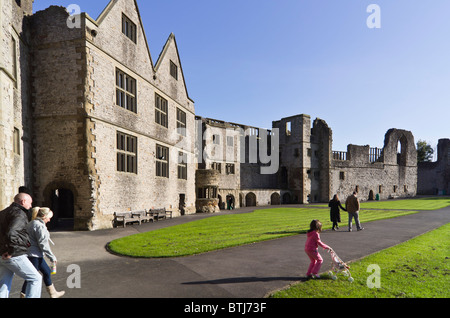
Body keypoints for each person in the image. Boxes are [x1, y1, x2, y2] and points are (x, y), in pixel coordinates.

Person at [0, 193, 42, 298]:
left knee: (4, 282)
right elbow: (12, 233)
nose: (31, 206)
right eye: (30, 203)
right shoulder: (19, 214)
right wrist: (10, 251)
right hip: (14, 254)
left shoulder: (3, 212)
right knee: (35, 278)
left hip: (2, 254)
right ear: (23, 202)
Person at [21, 207, 65, 298]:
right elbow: (43, 244)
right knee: (32, 277)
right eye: (49, 218)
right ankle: (23, 295)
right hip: (34, 255)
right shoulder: (39, 226)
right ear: (44, 216)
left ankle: (53, 293)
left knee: (47, 271)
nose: (49, 220)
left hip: (32, 253)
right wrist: (52, 257)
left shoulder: (31, 223)